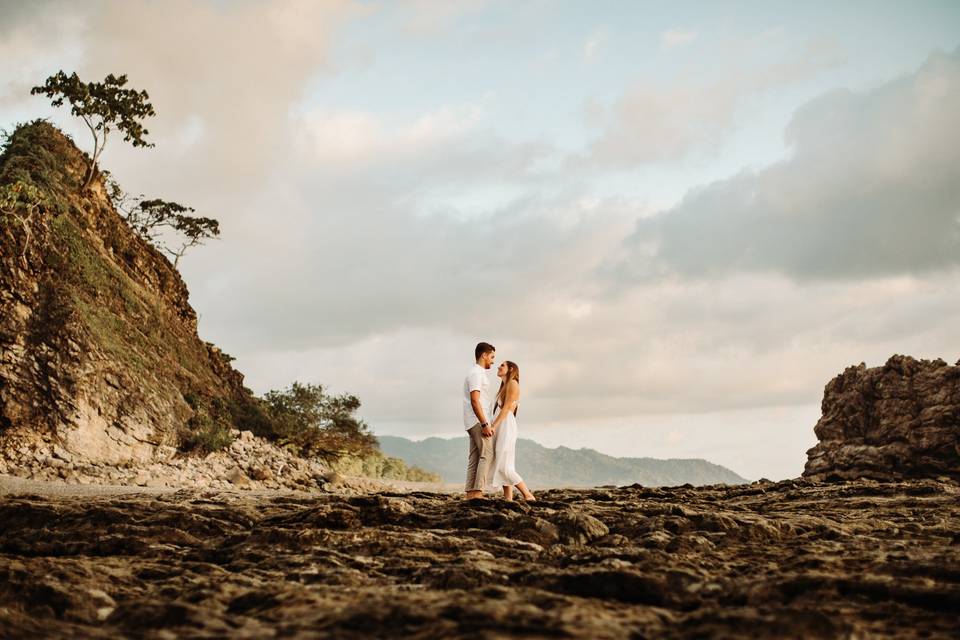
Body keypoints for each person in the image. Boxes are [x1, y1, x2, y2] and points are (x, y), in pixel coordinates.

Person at [489, 360, 535, 501]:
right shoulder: (504, 386)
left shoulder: (513, 384)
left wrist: (494, 426)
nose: (498, 366)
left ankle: (528, 495)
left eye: (502, 365)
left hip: (505, 425)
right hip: (502, 424)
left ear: (511, 369)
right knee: (503, 462)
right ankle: (508, 498)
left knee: (505, 465)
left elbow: (507, 408)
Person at [464, 342, 496, 500]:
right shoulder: (476, 373)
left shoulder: (476, 373)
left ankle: (470, 493)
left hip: (472, 420)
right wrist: (484, 423)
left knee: (475, 456)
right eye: (492, 357)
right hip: (478, 420)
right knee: (487, 454)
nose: (493, 361)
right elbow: (475, 400)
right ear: (484, 355)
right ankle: (478, 492)